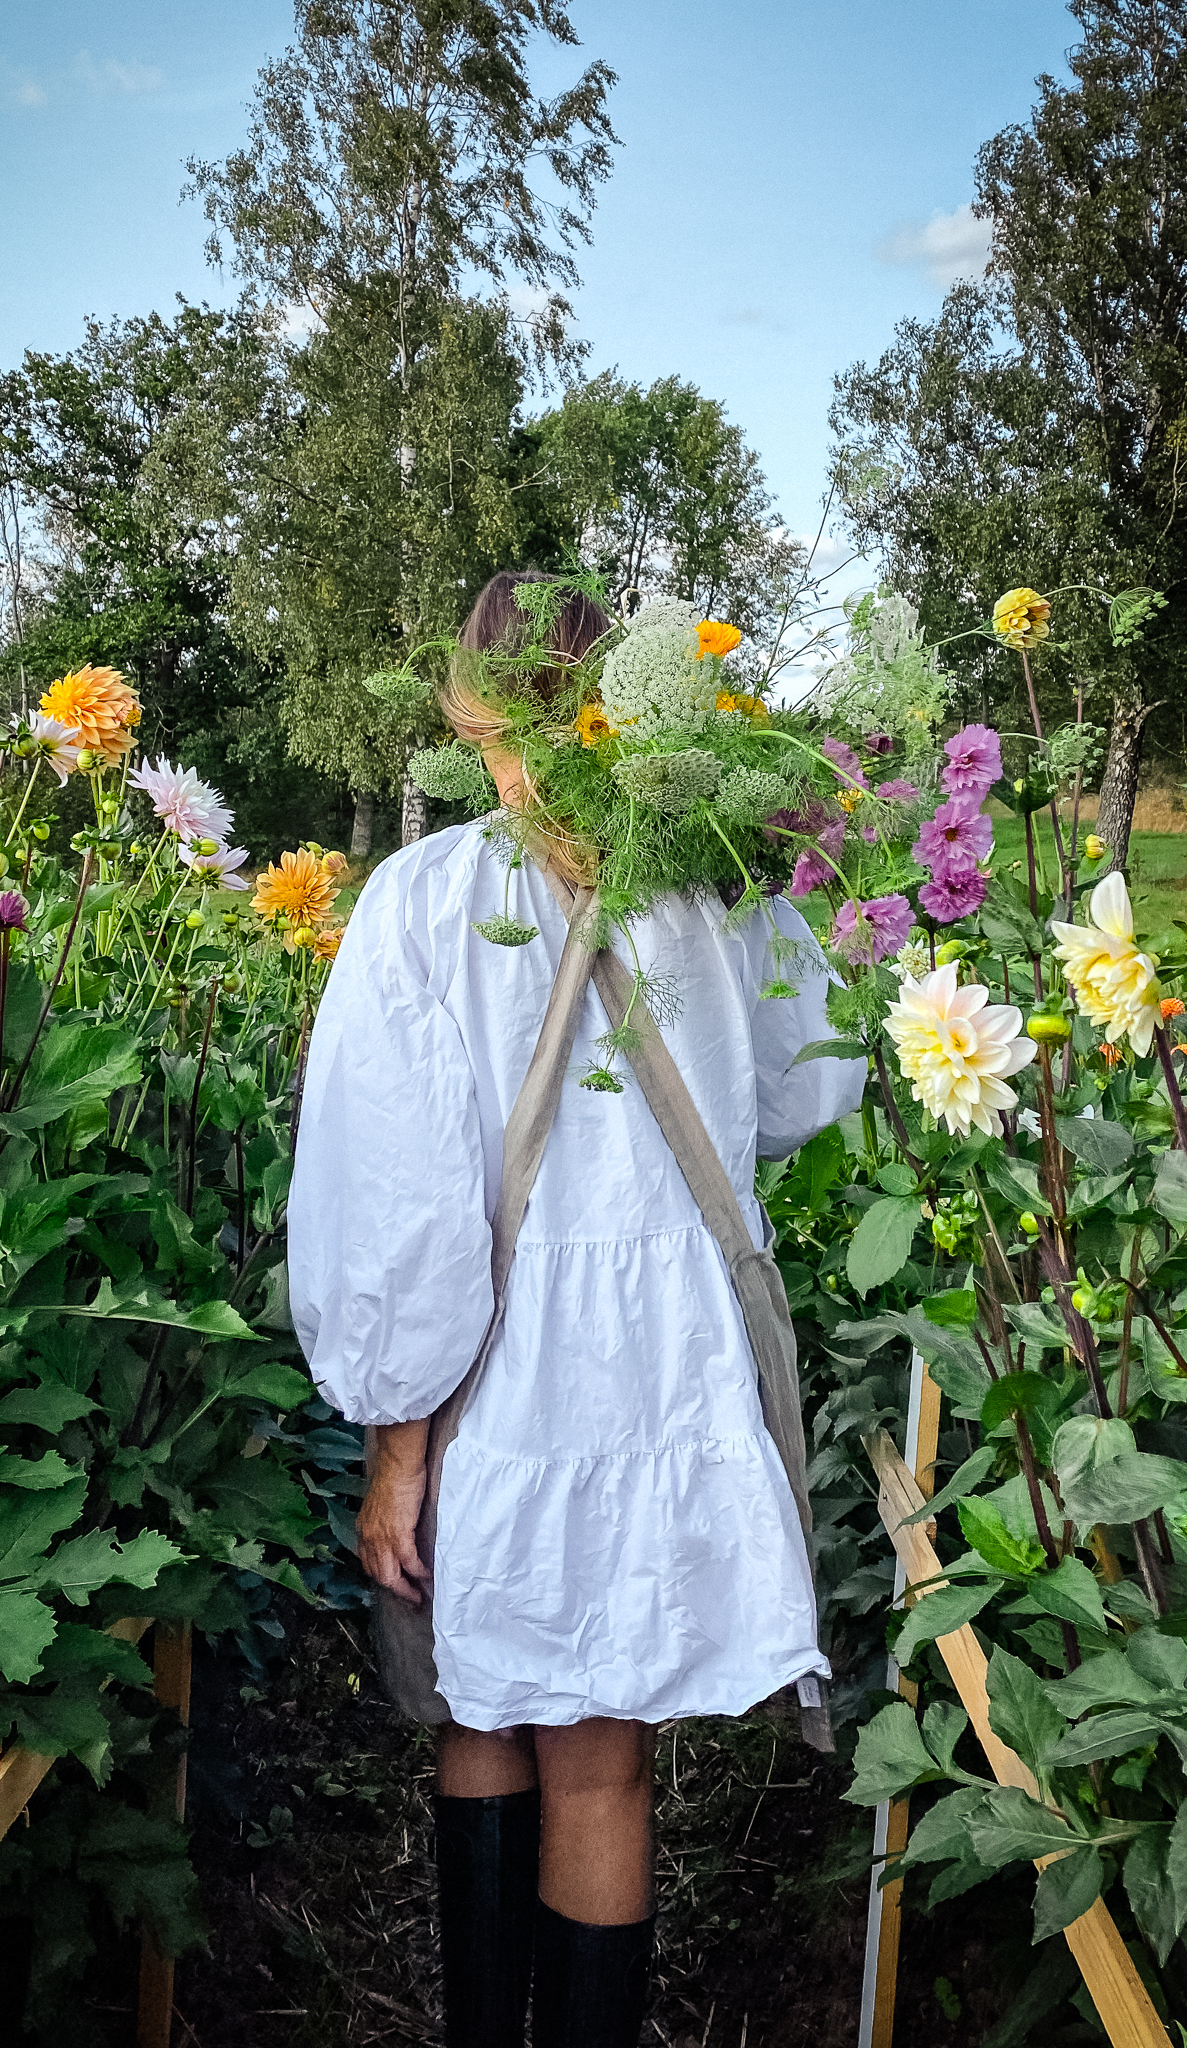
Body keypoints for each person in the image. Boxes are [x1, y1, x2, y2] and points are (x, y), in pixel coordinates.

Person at [289, 571, 865, 2048]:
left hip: (496, 1364)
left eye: (488, 734)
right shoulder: (719, 875)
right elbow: (809, 1090)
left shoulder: (426, 898)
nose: (492, 767)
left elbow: (399, 1204)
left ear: (493, 716)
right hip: (661, 1359)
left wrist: (395, 1447)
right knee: (599, 1757)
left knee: (487, 1708)